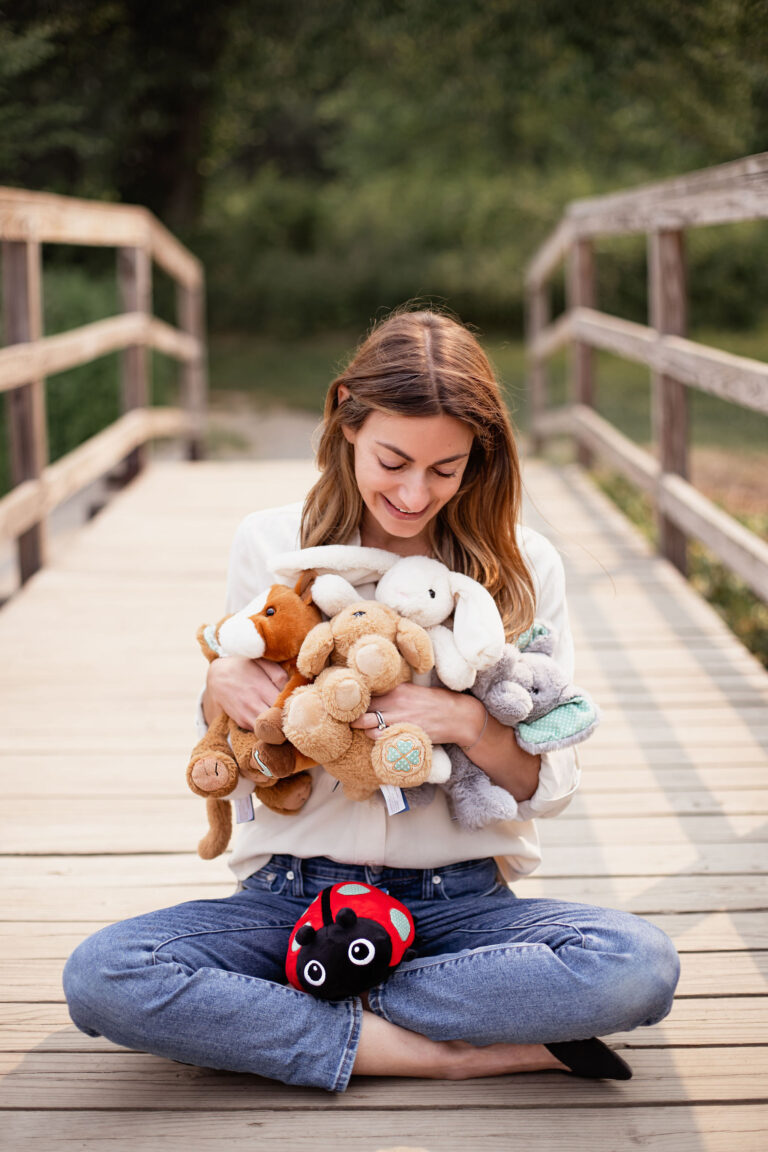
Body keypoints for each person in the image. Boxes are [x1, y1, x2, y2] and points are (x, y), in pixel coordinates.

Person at [63, 307, 679, 1091]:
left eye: (445, 469)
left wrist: (465, 722)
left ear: (477, 458)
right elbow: (241, 750)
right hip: (291, 903)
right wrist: (217, 685)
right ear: (345, 415)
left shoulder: (524, 567)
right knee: (104, 974)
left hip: (459, 910)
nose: (415, 494)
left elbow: (544, 786)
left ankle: (290, 1013)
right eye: (393, 460)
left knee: (637, 967)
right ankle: (439, 1051)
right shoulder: (271, 543)